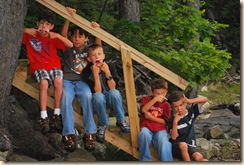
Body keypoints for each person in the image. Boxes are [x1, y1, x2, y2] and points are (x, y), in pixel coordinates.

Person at [22, 10, 73, 134]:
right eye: (41, 23)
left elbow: (70, 45)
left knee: (58, 82)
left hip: (54, 66)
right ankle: (44, 116)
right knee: (44, 83)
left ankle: (56, 113)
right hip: (38, 67)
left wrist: (58, 36)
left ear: (51, 27)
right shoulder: (30, 35)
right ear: (37, 24)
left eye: (47, 24)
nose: (43, 27)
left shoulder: (53, 37)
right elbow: (12, 30)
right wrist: (25, 30)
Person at [60, 7, 101, 152]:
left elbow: (99, 48)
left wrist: (97, 30)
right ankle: (68, 133)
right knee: (65, 98)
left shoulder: (88, 51)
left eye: (80, 36)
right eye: (74, 36)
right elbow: (63, 34)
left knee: (87, 96)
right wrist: (69, 17)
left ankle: (90, 132)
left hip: (82, 82)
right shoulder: (69, 47)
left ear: (86, 39)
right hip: (67, 80)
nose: (76, 39)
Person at [82, 43, 130, 144]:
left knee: (114, 93)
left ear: (103, 56)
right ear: (89, 59)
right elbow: (97, 92)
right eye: (93, 55)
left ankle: (120, 120)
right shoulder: (86, 72)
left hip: (110, 97)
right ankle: (103, 123)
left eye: (99, 54)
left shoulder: (110, 67)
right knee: (98, 96)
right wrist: (95, 75)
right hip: (98, 101)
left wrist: (107, 73)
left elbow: (113, 87)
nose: (97, 57)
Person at [167, 91, 209, 161]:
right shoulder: (172, 120)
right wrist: (175, 122)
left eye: (181, 105)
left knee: (199, 157)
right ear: (172, 106)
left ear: (185, 103)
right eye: (176, 107)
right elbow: (173, 137)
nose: (179, 109)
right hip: (177, 146)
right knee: (183, 145)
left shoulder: (191, 112)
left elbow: (205, 99)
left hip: (190, 145)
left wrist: (189, 101)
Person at [138, 78, 172, 161]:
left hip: (160, 129)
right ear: (151, 92)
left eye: (162, 93)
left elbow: (165, 122)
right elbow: (143, 110)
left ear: (166, 92)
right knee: (143, 134)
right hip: (146, 127)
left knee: (164, 142)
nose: (160, 96)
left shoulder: (166, 105)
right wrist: (155, 99)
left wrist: (151, 118)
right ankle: (145, 160)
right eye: (157, 94)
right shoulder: (146, 99)